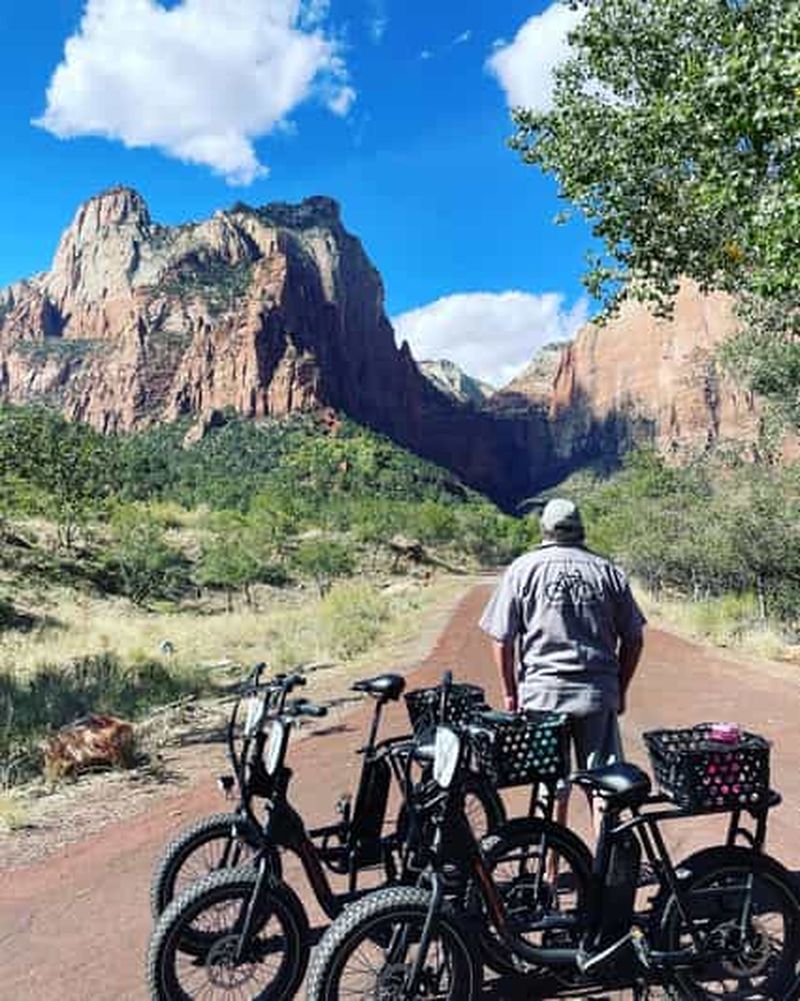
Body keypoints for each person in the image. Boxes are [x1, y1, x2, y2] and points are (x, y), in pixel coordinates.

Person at [479, 497, 645, 833]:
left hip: (542, 697)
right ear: (581, 530)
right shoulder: (607, 571)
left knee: (550, 786)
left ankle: (550, 877)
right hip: (597, 695)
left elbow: (502, 639)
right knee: (605, 784)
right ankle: (605, 874)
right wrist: (620, 689)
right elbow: (634, 638)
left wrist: (510, 693)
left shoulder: (523, 570)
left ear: (544, 531)